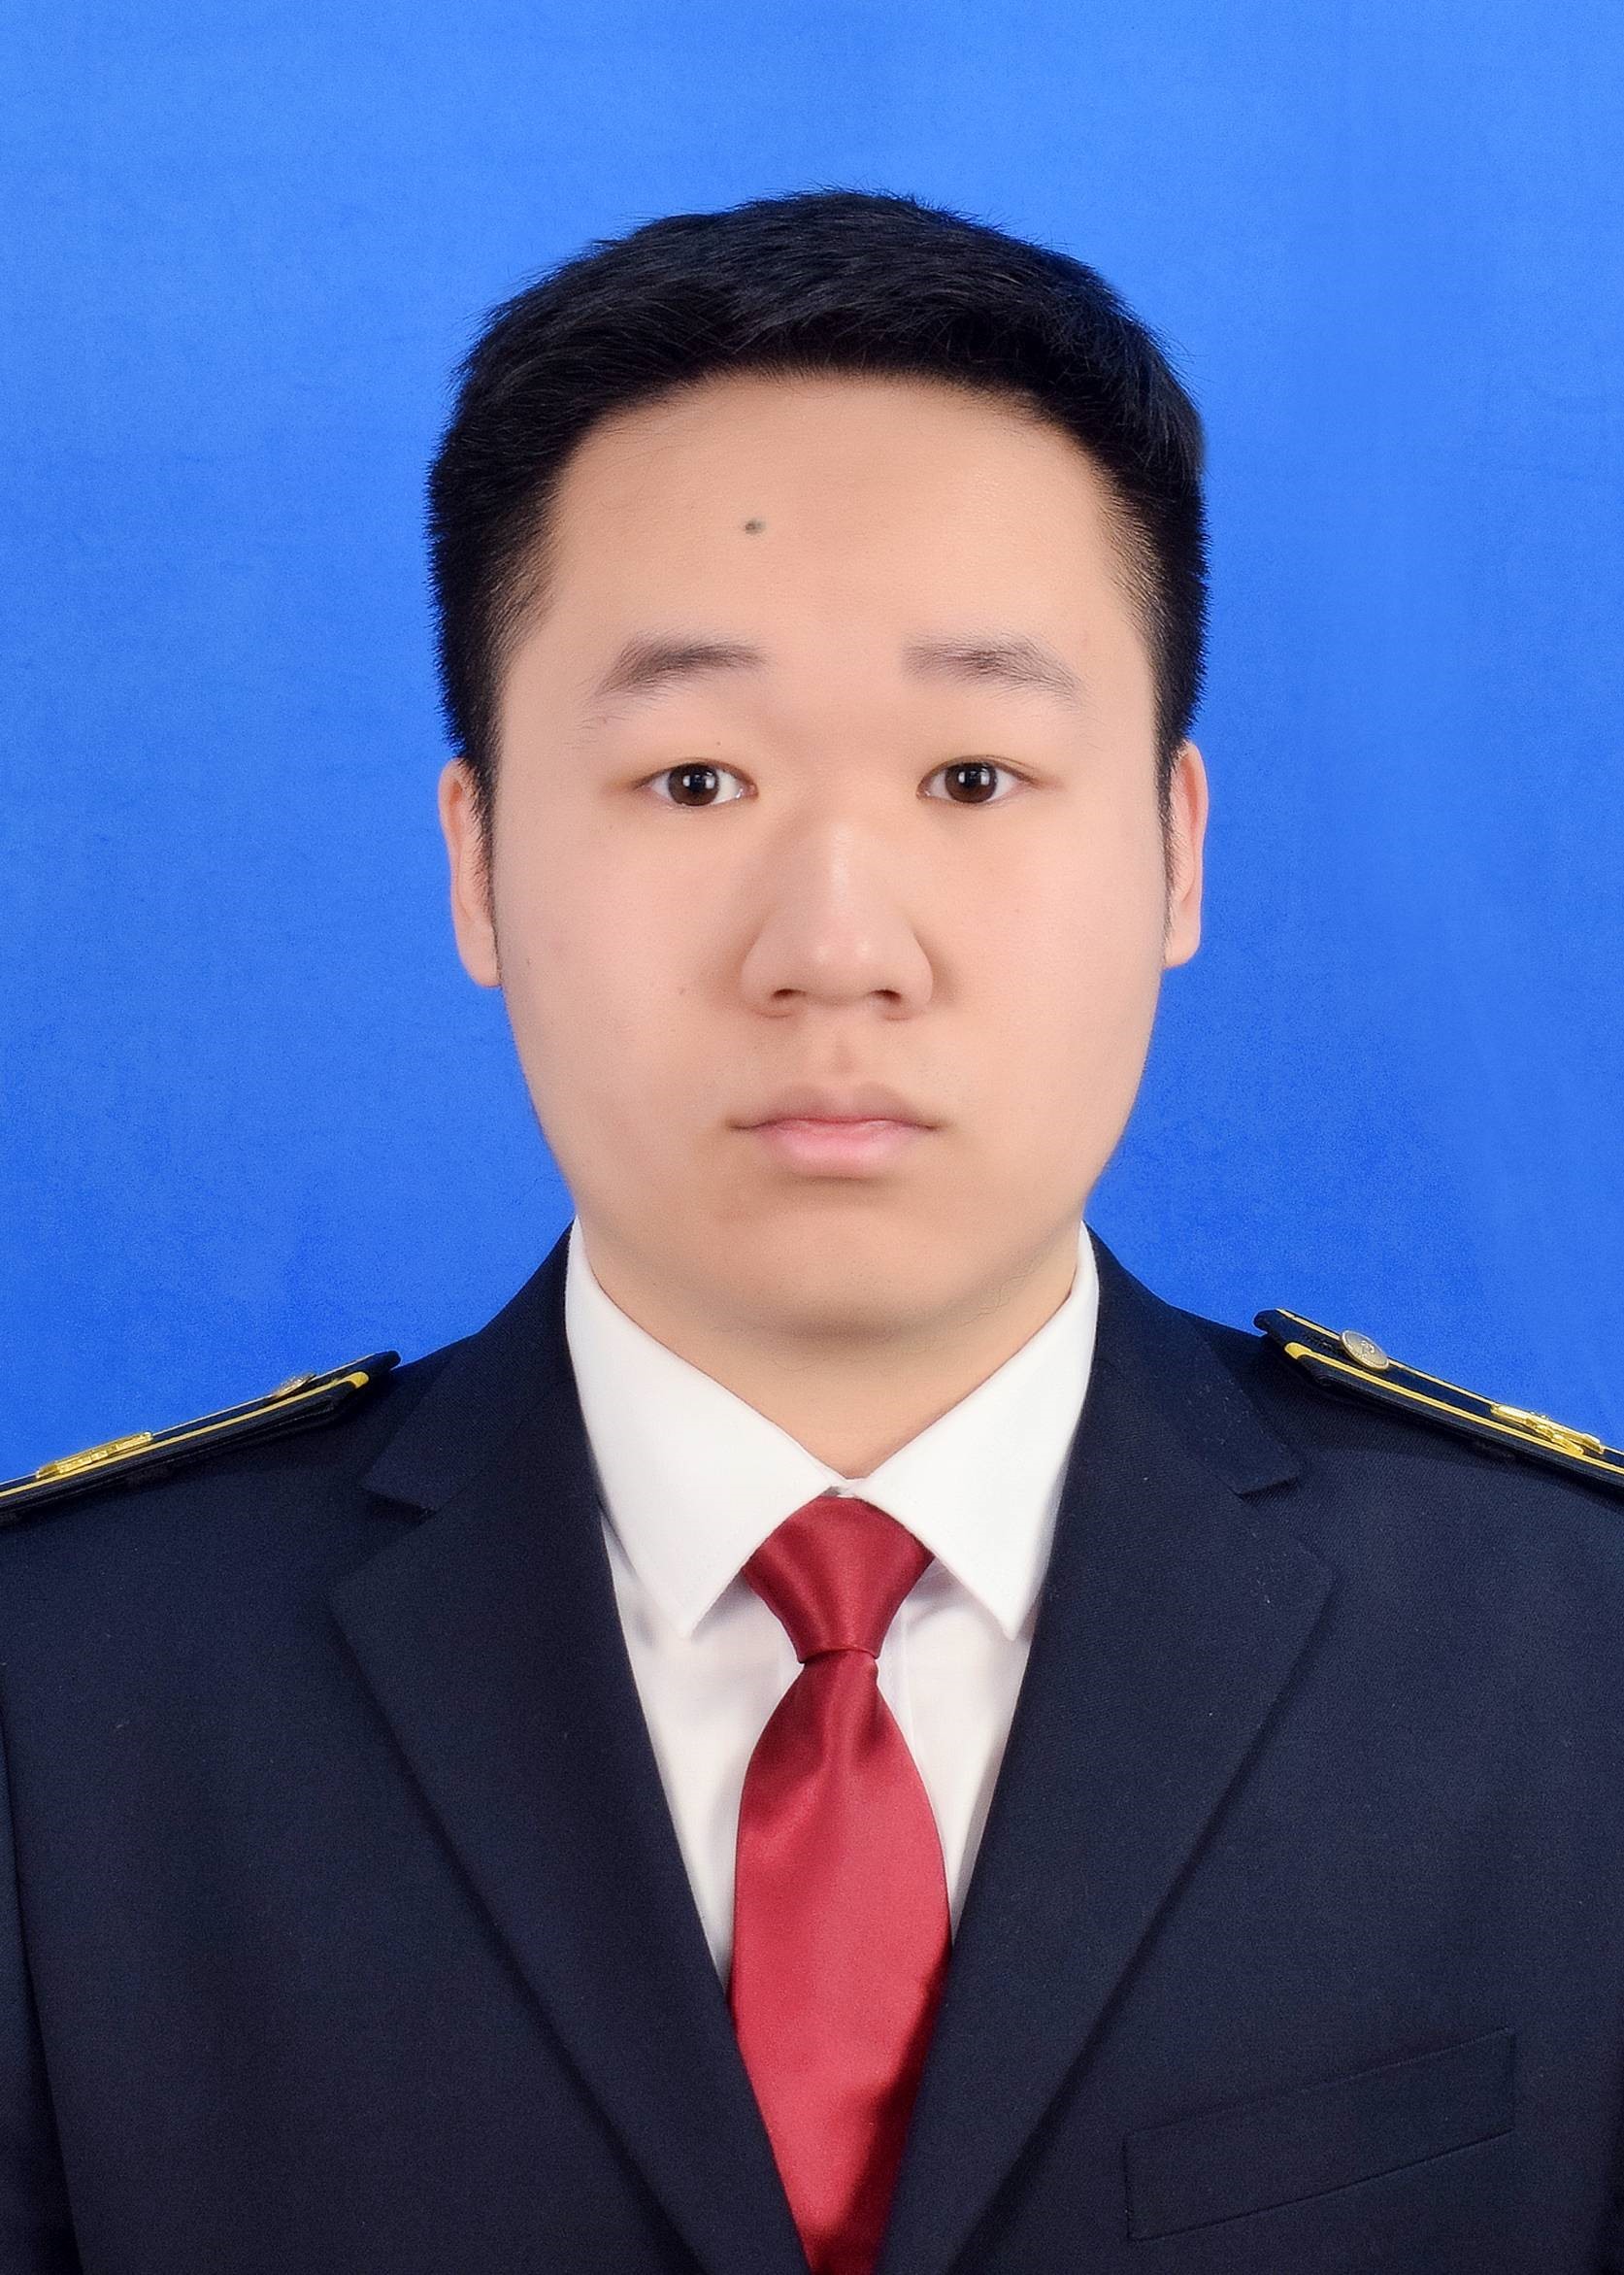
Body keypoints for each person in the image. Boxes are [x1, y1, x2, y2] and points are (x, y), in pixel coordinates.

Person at [3, 187, 1622, 2275]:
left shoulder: (1572, 1665)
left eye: (973, 775)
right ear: (478, 863)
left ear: (1174, 852)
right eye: (694, 780)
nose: (835, 947)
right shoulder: (64, 1705)